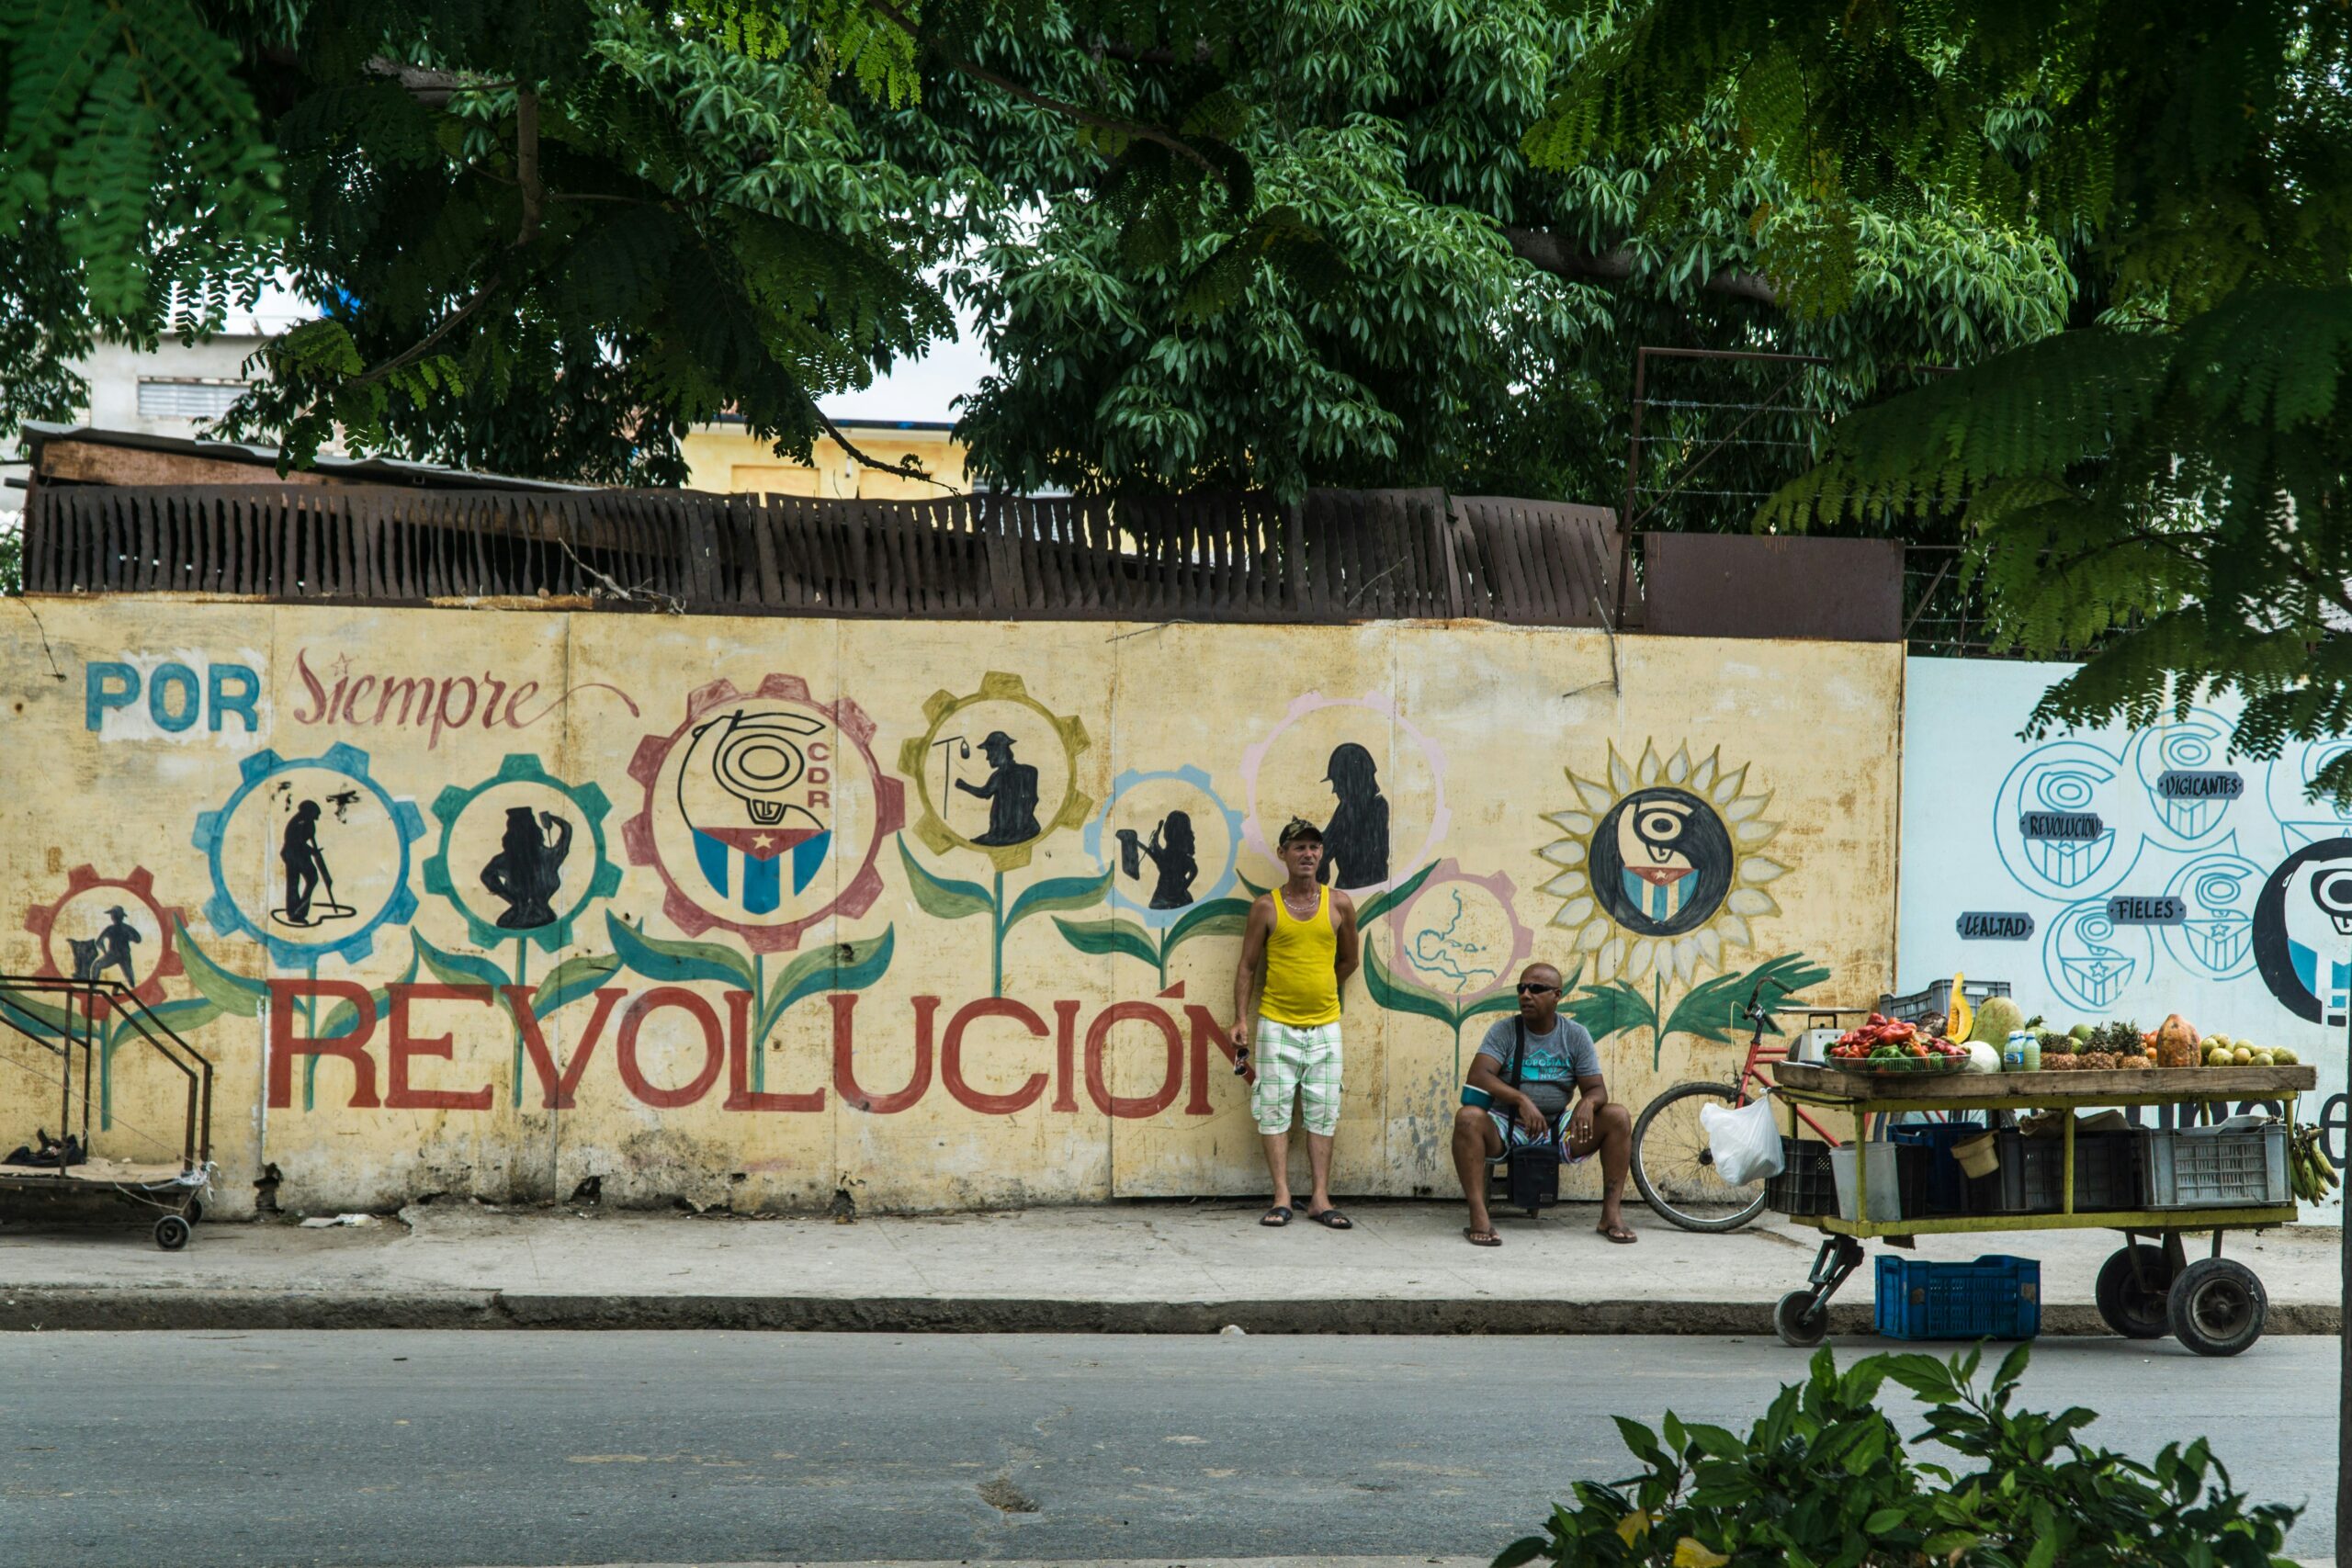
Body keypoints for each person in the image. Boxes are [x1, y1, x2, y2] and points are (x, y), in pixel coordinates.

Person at [1229, 818, 1361, 1229]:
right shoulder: (1266, 907)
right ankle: (1282, 1196)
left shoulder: (1338, 904)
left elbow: (1350, 960)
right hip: (1275, 1025)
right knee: (1273, 1111)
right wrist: (1239, 1019)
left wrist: (1323, 987)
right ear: (1284, 854)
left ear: (1321, 855)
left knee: (1324, 1112)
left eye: (1314, 847)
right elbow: (1248, 967)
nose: (1307, 854)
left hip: (1326, 1027)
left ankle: (1320, 1198)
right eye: (1298, 847)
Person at [1450, 961, 1636, 1247]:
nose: (1526, 995)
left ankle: (1610, 1216)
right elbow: (1479, 1074)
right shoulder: (1505, 1031)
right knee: (1467, 1118)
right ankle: (1479, 1217)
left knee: (1618, 1116)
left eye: (1536, 989)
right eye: (1521, 988)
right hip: (1507, 1125)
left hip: (1557, 1127)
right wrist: (1520, 1098)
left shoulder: (1574, 1035)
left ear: (1556, 996)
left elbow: (1597, 1089)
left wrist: (1587, 1102)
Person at [1317, 741, 1389, 889]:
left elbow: (1327, 849)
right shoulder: (1355, 808)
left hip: (1354, 888)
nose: (1335, 790)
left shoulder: (1357, 810)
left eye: (1338, 783)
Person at [956, 730, 1041, 845]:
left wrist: (963, 785)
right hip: (1030, 830)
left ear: (998, 751)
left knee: (974, 843)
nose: (987, 757)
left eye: (989, 752)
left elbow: (985, 793)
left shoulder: (999, 776)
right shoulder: (1030, 771)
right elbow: (1034, 799)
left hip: (1004, 836)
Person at [280, 801, 324, 925]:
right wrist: (312, 851)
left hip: (299, 854)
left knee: (308, 879)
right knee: (300, 881)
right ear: (309, 812)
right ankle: (296, 912)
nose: (317, 817)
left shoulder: (308, 821)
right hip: (293, 854)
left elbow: (306, 839)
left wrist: (312, 850)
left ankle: (297, 910)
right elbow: (296, 842)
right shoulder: (299, 821)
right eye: (316, 814)